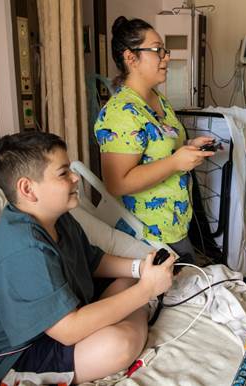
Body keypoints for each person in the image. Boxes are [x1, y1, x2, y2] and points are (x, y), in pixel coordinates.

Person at [0, 131, 175, 386]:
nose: (75, 177)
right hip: (8, 358)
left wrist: (141, 268)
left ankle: (137, 309)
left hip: (51, 326)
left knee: (127, 281)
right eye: (64, 173)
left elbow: (93, 261)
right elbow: (68, 331)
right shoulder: (23, 249)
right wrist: (147, 291)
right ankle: (141, 312)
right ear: (27, 189)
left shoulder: (58, 218)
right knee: (120, 344)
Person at [94, 17, 215, 265]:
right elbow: (117, 183)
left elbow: (162, 151)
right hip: (145, 233)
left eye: (165, 51)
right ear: (131, 58)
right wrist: (175, 163)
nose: (166, 57)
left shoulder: (159, 101)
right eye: (157, 50)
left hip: (174, 223)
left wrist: (187, 150)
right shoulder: (121, 112)